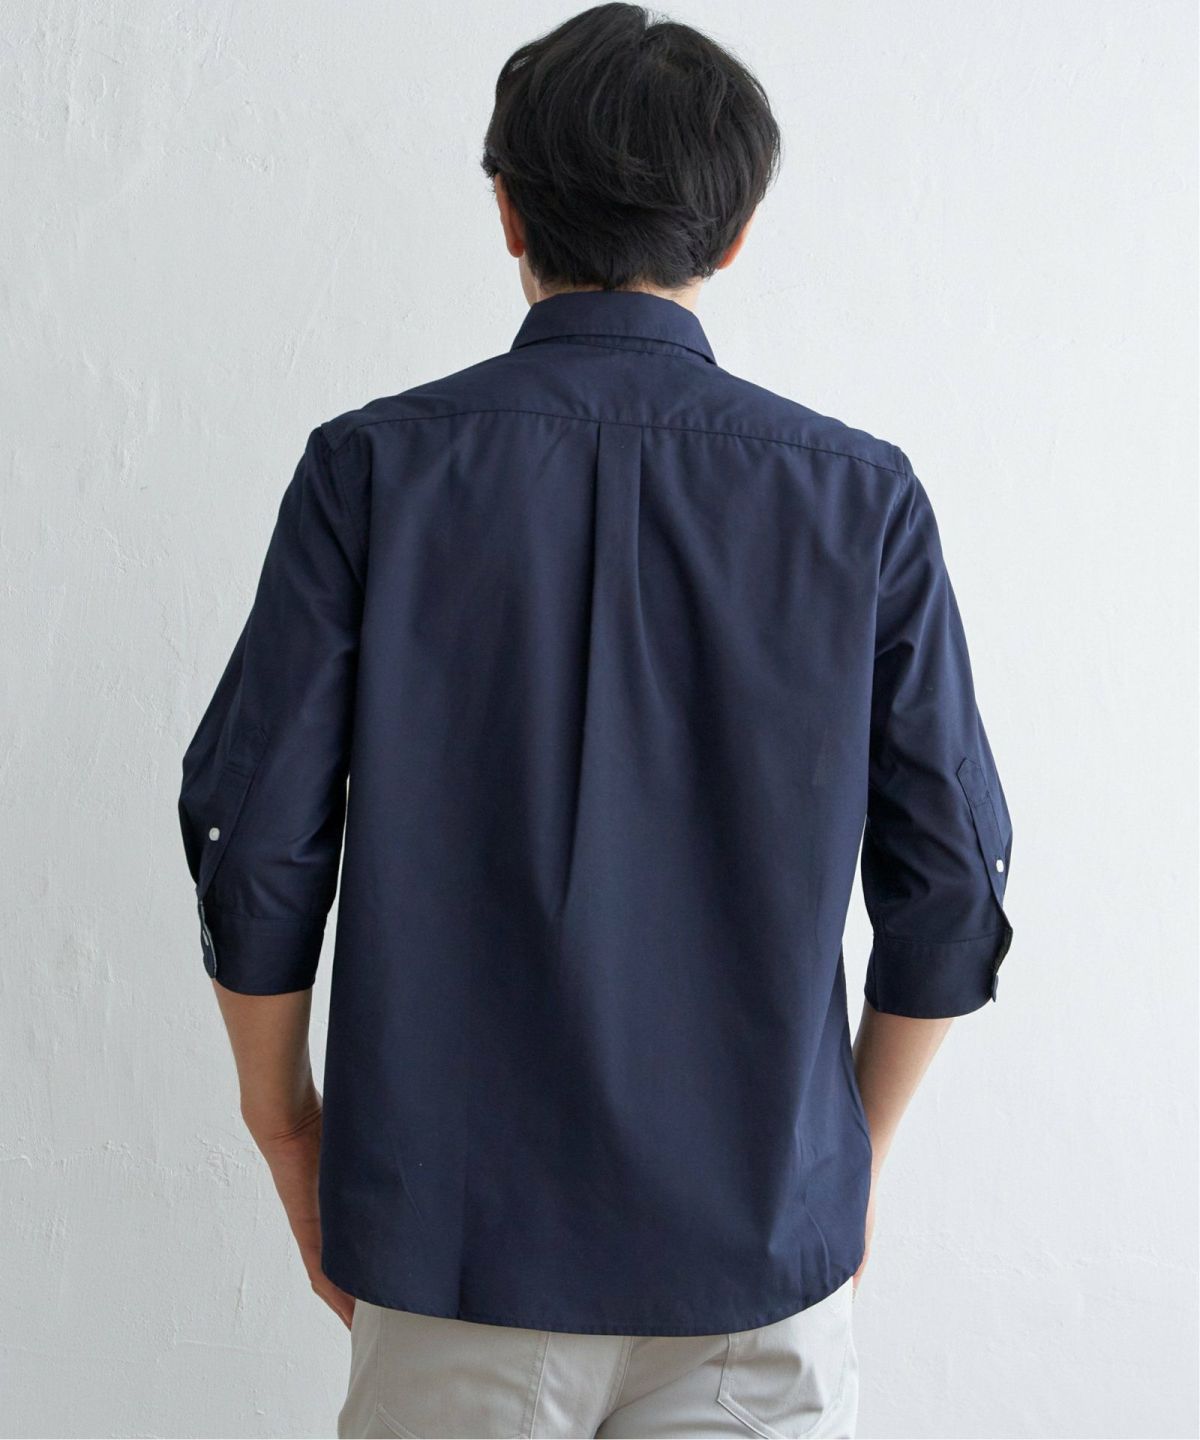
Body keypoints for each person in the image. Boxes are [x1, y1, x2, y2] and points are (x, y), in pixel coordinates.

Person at [177, 4, 1015, 1436]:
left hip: (453, 1256)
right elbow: (952, 882)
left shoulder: (370, 472)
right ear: (734, 234)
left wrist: (285, 1125)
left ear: (508, 211)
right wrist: (840, 1169)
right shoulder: (862, 501)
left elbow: (254, 842)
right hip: (757, 1269)